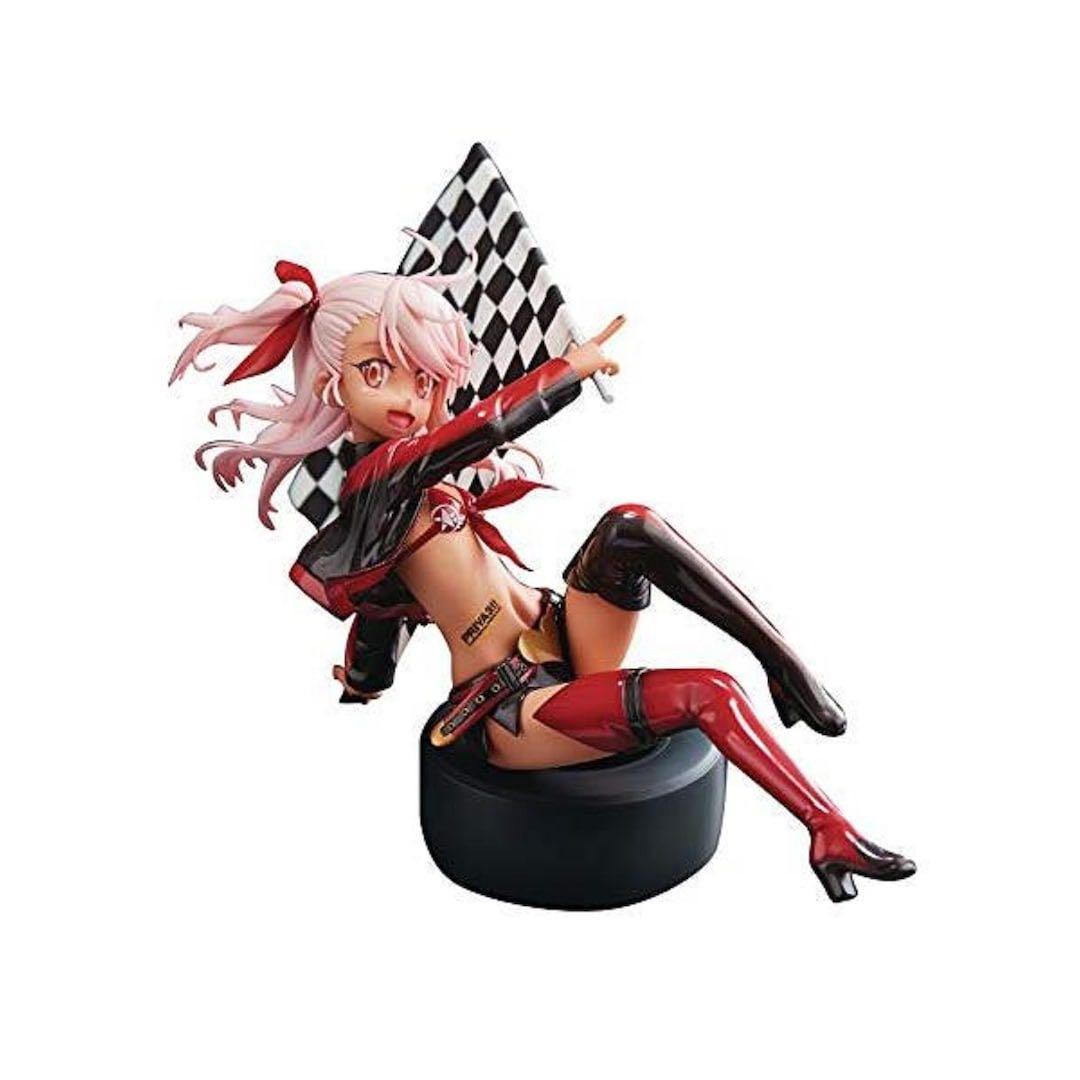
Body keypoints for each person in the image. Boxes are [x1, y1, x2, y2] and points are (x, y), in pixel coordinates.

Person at [172, 236, 915, 901]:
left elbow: (389, 611)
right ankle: (827, 828)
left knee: (630, 527)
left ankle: (784, 665)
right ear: (335, 385)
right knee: (709, 692)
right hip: (516, 705)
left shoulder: (413, 493)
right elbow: (481, 428)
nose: (409, 398)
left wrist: (368, 679)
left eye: (425, 380)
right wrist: (569, 371)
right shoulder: (379, 479)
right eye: (379, 372)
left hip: (561, 631)